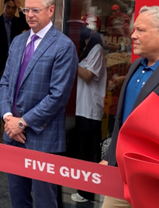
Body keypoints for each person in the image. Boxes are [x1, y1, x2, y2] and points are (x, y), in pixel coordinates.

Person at [0, 0, 78, 208]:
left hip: (43, 137)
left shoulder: (63, 46)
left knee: (45, 200)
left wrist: (22, 123)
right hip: (12, 134)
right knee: (17, 197)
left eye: (36, 10)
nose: (29, 15)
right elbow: (4, 82)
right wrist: (8, 118)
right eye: (26, 10)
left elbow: (58, 96)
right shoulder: (17, 42)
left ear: (50, 10)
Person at [101, 5, 159, 208]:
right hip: (121, 175)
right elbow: (123, 120)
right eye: (134, 30)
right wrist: (111, 158)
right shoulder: (136, 65)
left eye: (141, 30)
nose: (133, 36)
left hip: (155, 183)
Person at [71, 23, 106, 203]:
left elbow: (87, 75)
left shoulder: (97, 49)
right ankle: (83, 190)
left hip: (91, 109)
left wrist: (71, 60)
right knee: (82, 151)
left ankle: (89, 193)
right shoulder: (86, 49)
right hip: (81, 108)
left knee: (90, 153)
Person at [0, 0, 28, 138]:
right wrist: (8, 53)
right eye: (8, 7)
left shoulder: (18, 22)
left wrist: (21, 7)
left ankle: (11, 124)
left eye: (13, 8)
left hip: (16, 64)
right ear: (3, 7)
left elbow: (26, 22)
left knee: (15, 94)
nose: (10, 10)